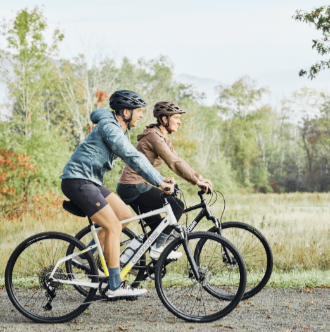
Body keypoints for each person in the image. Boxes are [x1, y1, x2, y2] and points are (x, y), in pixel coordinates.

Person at [60, 90, 175, 298]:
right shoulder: (111, 129)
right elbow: (133, 156)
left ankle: (84, 257)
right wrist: (158, 181)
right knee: (113, 226)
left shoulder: (114, 123)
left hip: (91, 181)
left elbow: (97, 113)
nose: (141, 115)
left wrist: (160, 178)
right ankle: (114, 285)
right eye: (138, 111)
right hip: (78, 181)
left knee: (123, 216)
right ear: (125, 112)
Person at [117, 100, 214, 259]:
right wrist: (196, 182)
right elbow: (173, 163)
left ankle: (129, 262)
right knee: (177, 205)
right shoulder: (154, 137)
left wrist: (199, 177)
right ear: (164, 119)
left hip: (135, 185)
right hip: (133, 185)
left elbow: (177, 159)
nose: (179, 121)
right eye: (176, 117)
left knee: (157, 231)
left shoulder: (161, 136)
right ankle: (158, 249)